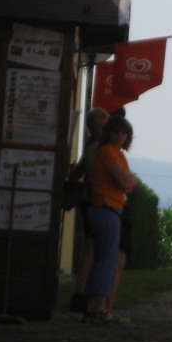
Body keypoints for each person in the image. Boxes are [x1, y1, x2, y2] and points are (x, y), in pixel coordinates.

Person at [85, 115, 136, 323]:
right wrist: (131, 182)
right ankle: (100, 307)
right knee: (108, 261)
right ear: (109, 132)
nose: (120, 135)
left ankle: (93, 307)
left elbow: (126, 183)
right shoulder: (108, 152)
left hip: (108, 209)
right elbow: (125, 183)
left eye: (124, 132)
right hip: (106, 208)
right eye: (116, 131)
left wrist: (129, 182)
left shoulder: (116, 153)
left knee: (103, 259)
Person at [67, 107, 110, 313]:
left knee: (91, 248)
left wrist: (72, 180)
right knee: (92, 249)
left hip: (90, 200)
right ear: (99, 125)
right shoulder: (98, 147)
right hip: (96, 200)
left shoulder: (90, 145)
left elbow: (80, 170)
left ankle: (82, 293)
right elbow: (96, 171)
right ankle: (83, 293)